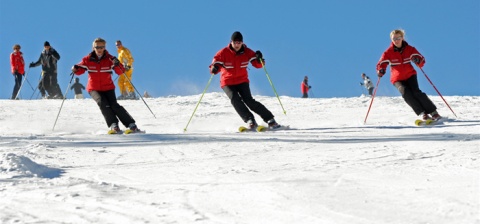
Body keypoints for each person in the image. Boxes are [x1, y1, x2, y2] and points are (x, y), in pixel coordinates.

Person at [210, 31, 282, 130]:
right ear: (231, 42)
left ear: (242, 43)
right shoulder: (223, 53)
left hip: (242, 80)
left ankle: (270, 120)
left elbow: (258, 65)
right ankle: (250, 120)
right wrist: (214, 68)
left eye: (239, 43)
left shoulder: (247, 52)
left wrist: (259, 59)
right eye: (235, 42)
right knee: (235, 99)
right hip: (227, 81)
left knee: (249, 100)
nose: (236, 45)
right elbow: (214, 65)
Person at [71, 37, 142, 133]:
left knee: (114, 105)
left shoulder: (110, 59)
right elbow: (80, 70)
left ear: (104, 47)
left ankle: (131, 125)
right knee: (102, 103)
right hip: (94, 88)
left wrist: (117, 64)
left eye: (102, 47)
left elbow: (120, 72)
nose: (99, 49)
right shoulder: (88, 59)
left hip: (108, 87)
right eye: (97, 47)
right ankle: (114, 125)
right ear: (93, 48)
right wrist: (75, 69)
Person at [377, 29, 441, 121]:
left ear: (402, 38)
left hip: (410, 75)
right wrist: (381, 70)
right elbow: (381, 63)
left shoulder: (409, 49)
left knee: (416, 92)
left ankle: (433, 112)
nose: (396, 40)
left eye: (398, 38)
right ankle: (423, 113)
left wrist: (418, 61)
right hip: (397, 78)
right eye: (394, 39)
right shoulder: (388, 52)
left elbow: (421, 59)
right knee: (406, 93)